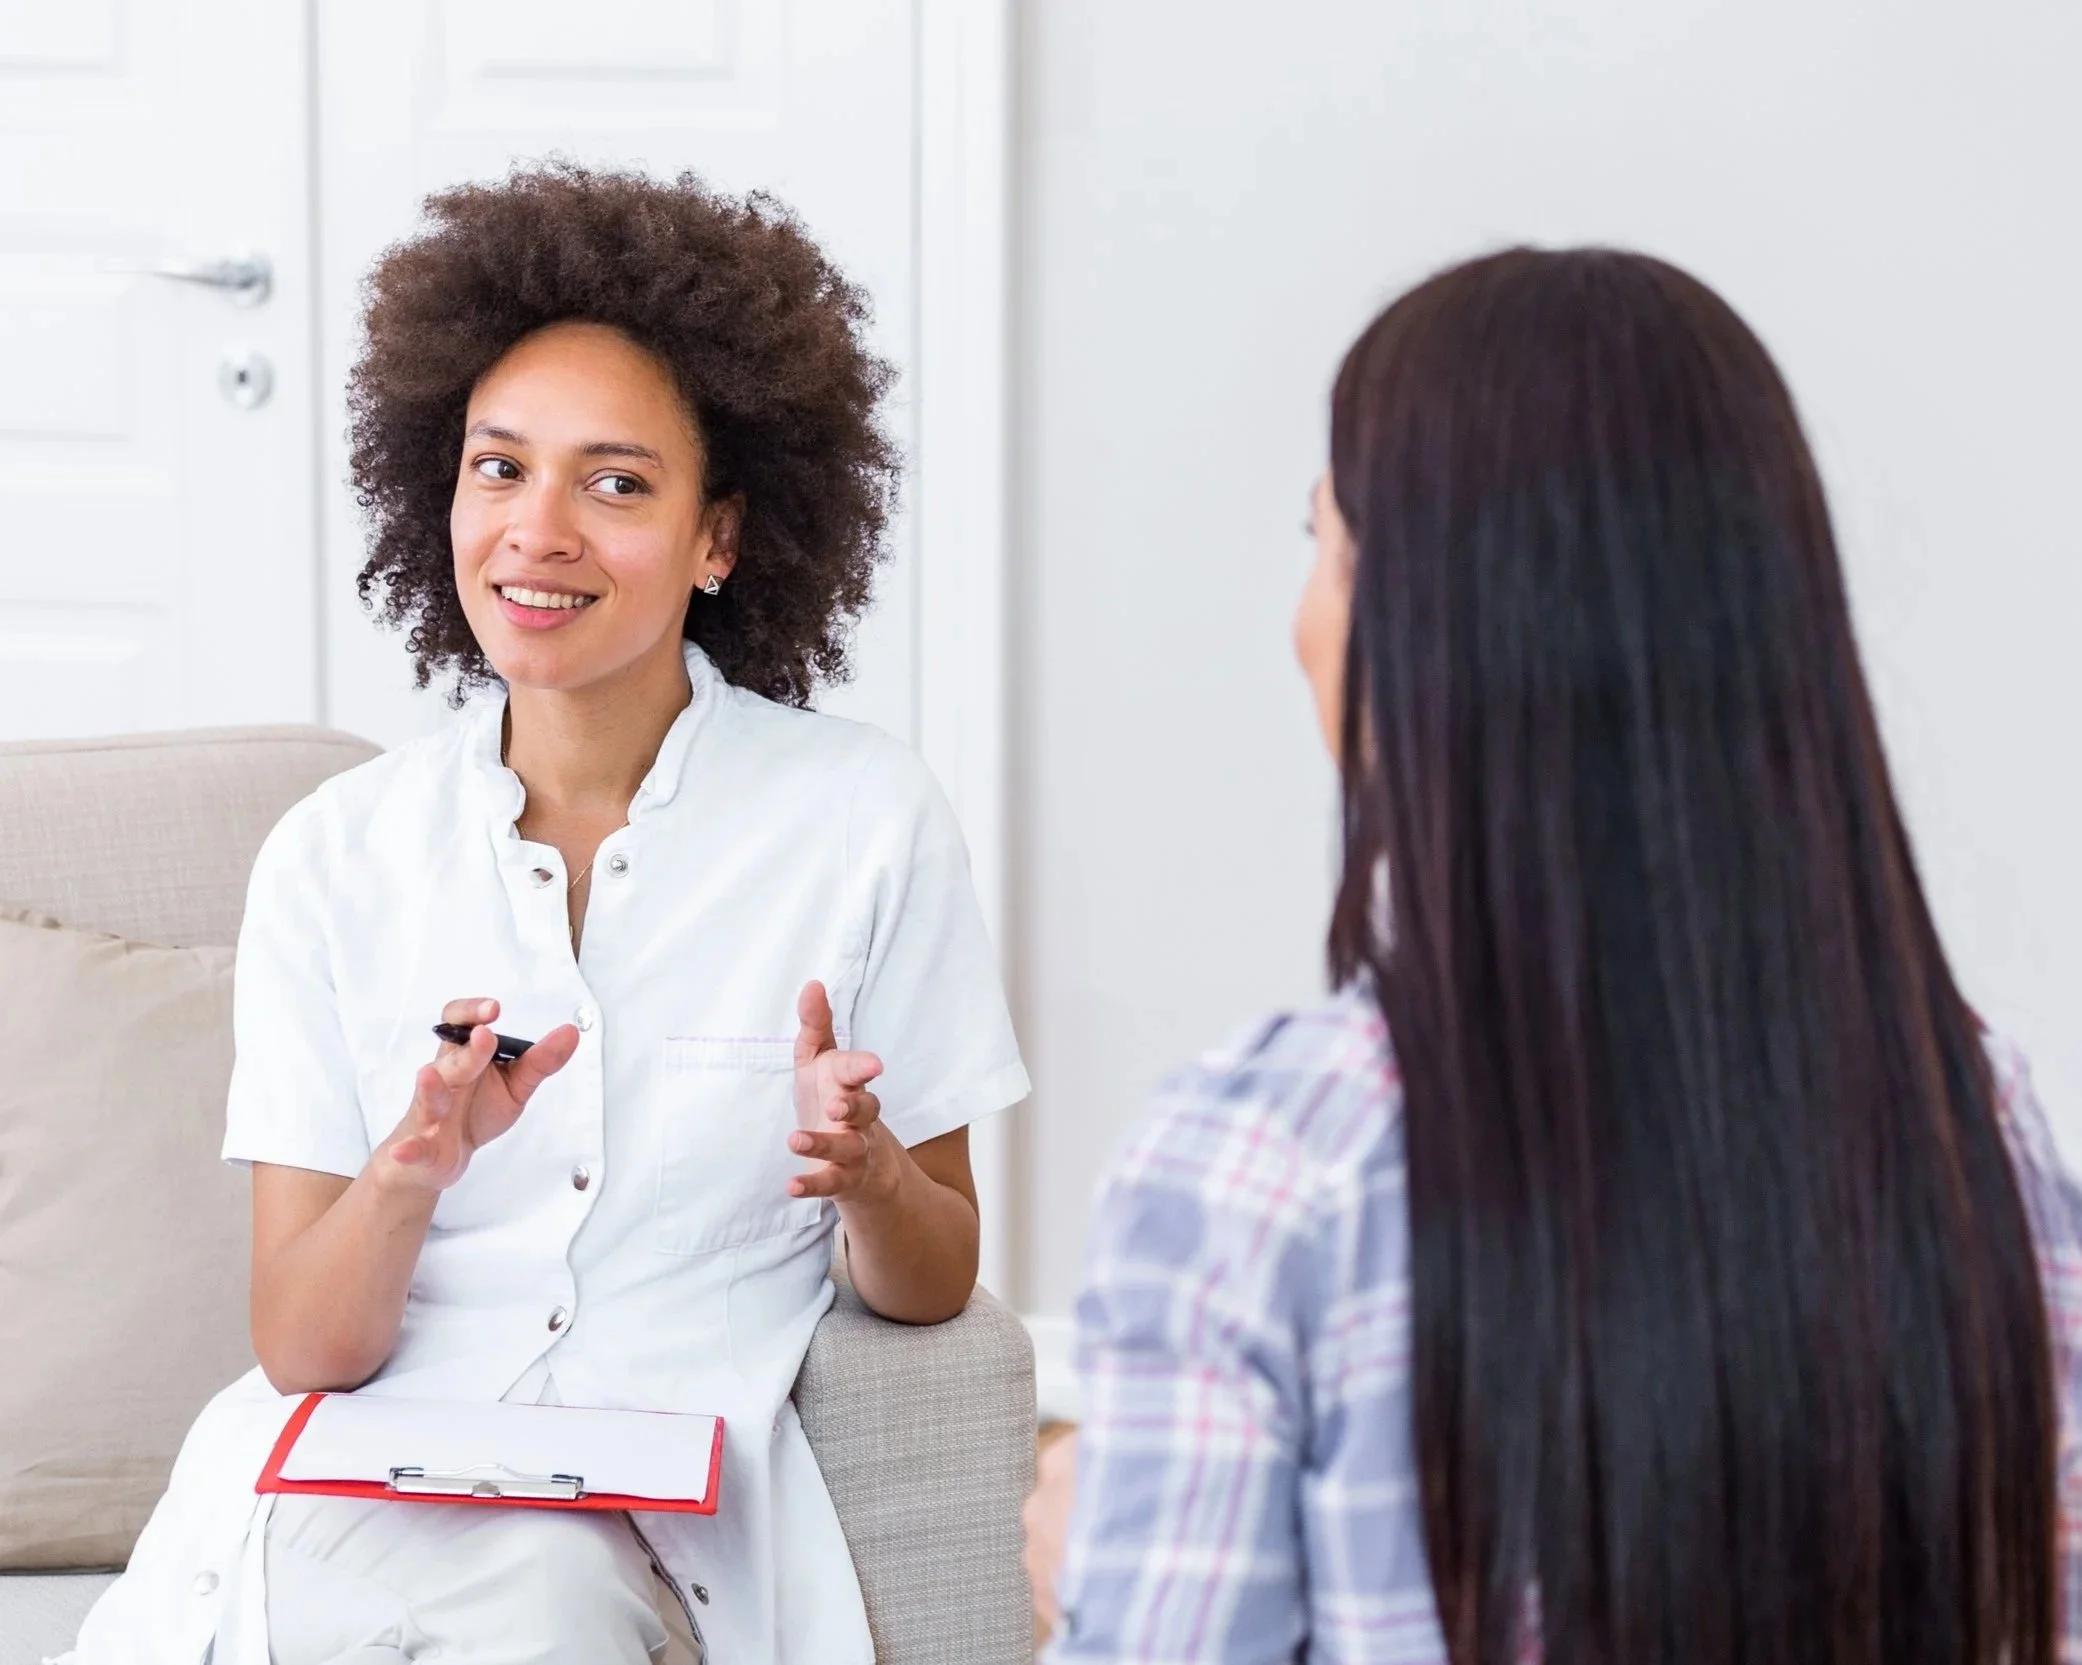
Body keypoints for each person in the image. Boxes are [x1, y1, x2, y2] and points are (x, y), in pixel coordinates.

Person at [1038, 248, 2082, 1664]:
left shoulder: (1268, 1162)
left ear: (1428, 634)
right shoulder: (1976, 1121)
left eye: (1322, 545)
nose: (1304, 616)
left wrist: (1076, 1573)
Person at [64, 163, 1028, 1665]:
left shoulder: (858, 822)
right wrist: (409, 1171)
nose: (538, 529)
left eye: (617, 482)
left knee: (537, 1609)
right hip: (348, 1496)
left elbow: (934, 1282)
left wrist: (868, 1175)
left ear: (719, 539)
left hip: (634, 1524)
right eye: (497, 468)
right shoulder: (336, 856)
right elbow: (309, 1348)